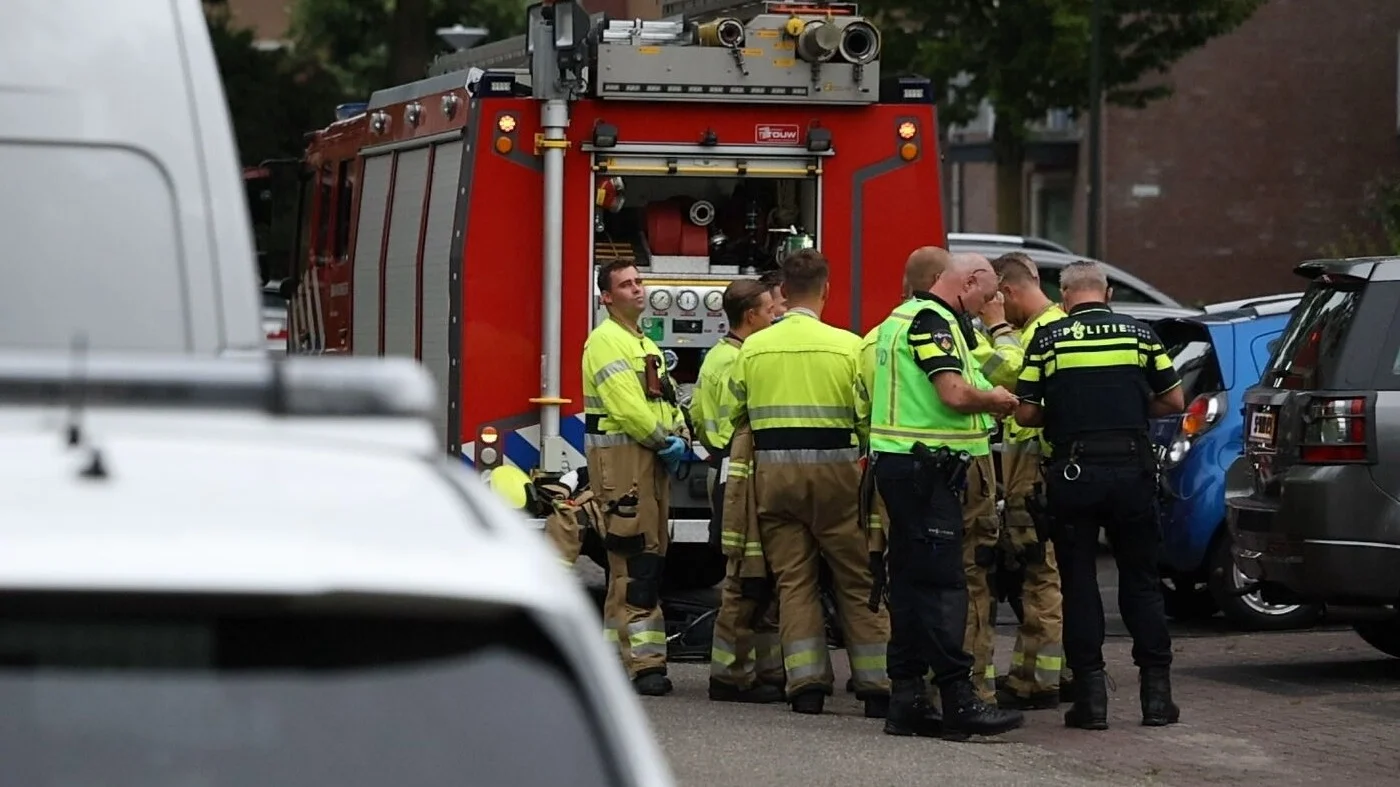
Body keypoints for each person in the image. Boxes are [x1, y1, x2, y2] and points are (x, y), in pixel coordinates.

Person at [1013, 260, 1185, 730]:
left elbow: (1027, 414)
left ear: (1065, 296)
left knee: (1079, 584)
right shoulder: (1141, 336)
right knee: (1142, 581)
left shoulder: (1049, 340)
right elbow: (1174, 401)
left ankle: (1091, 702)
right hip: (1132, 469)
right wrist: (1129, 407)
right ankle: (1156, 698)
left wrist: (1068, 412)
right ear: (1106, 292)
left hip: (1074, 473)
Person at [867, 252, 1025, 739]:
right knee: (943, 586)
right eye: (985, 290)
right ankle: (959, 699)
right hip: (926, 470)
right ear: (965, 281)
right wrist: (996, 402)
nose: (989, 301)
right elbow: (954, 393)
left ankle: (908, 699)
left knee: (912, 585)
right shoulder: (933, 321)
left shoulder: (905, 318)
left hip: (906, 467)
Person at [729, 248, 891, 716]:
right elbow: (866, 417)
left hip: (775, 478)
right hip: (837, 479)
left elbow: (737, 414)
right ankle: (876, 683)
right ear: (825, 290)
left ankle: (806, 686)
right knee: (857, 579)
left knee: (793, 582)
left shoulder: (754, 348)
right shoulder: (848, 346)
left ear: (782, 292)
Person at [582, 260, 690, 696]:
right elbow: (628, 408)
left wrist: (679, 431)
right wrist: (666, 439)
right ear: (606, 298)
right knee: (636, 559)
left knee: (638, 557)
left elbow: (660, 399)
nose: (637, 290)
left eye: (639, 282)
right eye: (626, 285)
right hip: (626, 460)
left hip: (646, 457)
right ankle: (646, 666)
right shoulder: (605, 342)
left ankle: (612, 663)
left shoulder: (640, 340)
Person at [982, 252, 1069, 710]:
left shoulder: (1041, 333)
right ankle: (1040, 672)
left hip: (1035, 474)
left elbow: (1014, 383)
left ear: (1008, 293)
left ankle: (1038, 681)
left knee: (1040, 575)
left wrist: (997, 330)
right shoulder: (1046, 327)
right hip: (1031, 471)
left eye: (998, 302)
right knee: (1036, 575)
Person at [693, 279, 785, 703]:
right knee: (743, 580)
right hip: (741, 478)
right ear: (751, 316)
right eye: (770, 311)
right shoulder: (739, 360)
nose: (776, 316)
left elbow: (698, 413)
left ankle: (765, 672)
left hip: (728, 472)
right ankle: (730, 676)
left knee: (757, 579)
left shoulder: (717, 356)